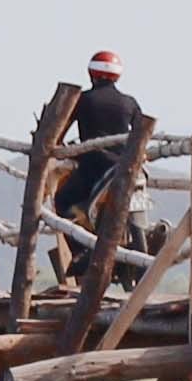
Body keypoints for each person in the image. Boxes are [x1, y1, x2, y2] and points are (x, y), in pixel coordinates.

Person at [52, 50, 143, 285]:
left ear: (91, 73)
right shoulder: (129, 102)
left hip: (94, 167)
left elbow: (58, 134)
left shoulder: (82, 100)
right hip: (125, 167)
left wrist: (64, 148)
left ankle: (82, 250)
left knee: (62, 201)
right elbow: (142, 135)